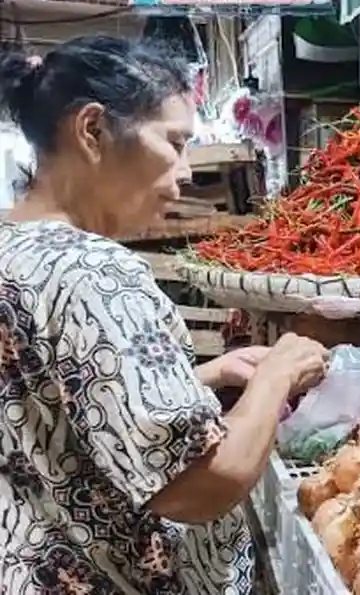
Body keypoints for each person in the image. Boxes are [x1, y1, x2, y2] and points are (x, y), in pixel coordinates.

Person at [0, 36, 330, 594]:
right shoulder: (93, 272)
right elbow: (200, 484)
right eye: (174, 142)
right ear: (92, 130)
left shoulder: (12, 248)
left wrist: (200, 377)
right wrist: (277, 376)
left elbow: (46, 404)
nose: (185, 171)